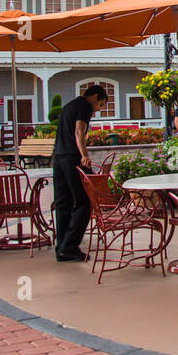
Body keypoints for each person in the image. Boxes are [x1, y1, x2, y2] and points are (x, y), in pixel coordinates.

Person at [51, 84, 107, 262]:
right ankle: (70, 246)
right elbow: (79, 131)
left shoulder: (69, 105)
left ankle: (62, 245)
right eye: (100, 105)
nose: (97, 111)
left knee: (63, 204)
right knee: (84, 201)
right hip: (71, 159)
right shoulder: (84, 106)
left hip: (58, 158)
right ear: (96, 97)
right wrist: (84, 154)